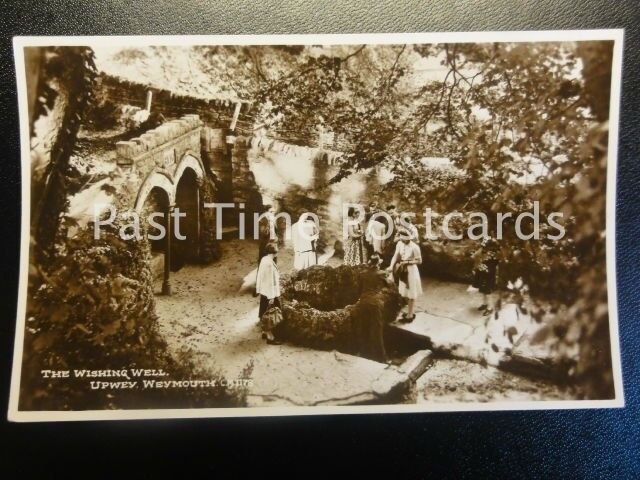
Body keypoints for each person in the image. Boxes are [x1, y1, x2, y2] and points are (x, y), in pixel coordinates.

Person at [387, 229, 423, 323]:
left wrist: (407, 262)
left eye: (405, 239)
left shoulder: (414, 247)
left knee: (411, 292)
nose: (404, 241)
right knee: (405, 292)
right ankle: (409, 312)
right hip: (403, 271)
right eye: (402, 239)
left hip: (411, 271)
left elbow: (419, 261)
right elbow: (396, 255)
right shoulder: (399, 244)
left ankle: (410, 315)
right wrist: (391, 266)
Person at [256, 243, 282, 345]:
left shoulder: (264, 259)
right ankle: (270, 337)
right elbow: (270, 281)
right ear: (274, 252)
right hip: (270, 293)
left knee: (264, 312)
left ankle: (264, 332)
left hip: (264, 292)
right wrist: (271, 297)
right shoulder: (269, 265)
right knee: (272, 315)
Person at [471, 237, 499, 315]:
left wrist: (487, 269)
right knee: (483, 290)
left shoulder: (493, 255)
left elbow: (494, 266)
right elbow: (476, 258)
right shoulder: (482, 252)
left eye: (486, 247)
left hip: (489, 275)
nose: (484, 248)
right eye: (484, 247)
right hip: (482, 273)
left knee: (488, 291)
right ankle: (485, 304)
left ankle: (490, 308)